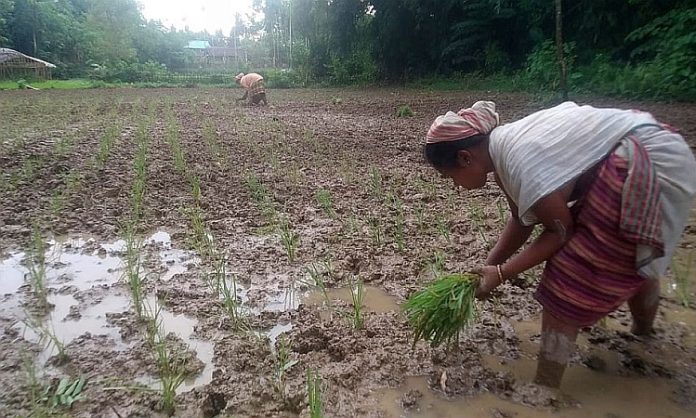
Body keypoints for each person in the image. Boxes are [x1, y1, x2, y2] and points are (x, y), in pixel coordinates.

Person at [424, 101, 696, 388]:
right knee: (626, 253)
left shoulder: (518, 158)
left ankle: (544, 390)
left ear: (465, 158)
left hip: (645, 161)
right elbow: (521, 220)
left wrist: (503, 274)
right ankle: (644, 338)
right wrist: (489, 266)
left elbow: (560, 232)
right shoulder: (503, 147)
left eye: (448, 177)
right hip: (652, 145)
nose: (454, 185)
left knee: (569, 272)